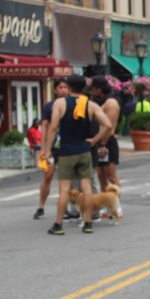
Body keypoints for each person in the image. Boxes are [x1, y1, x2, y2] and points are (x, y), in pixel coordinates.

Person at [44, 74, 112, 235]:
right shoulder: (90, 104)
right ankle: (88, 222)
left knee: (64, 189)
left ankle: (58, 225)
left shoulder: (60, 103)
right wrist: (94, 140)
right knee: (87, 187)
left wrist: (47, 149)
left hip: (66, 151)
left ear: (68, 87)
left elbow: (53, 127)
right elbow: (108, 125)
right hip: (84, 150)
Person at [34, 78, 69, 220]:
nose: (63, 90)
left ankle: (65, 208)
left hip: (67, 144)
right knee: (48, 175)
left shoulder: (71, 104)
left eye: (65, 87)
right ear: (55, 90)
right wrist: (43, 147)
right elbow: (45, 126)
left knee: (65, 178)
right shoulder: (49, 106)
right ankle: (41, 206)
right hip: (52, 145)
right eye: (60, 87)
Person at [89, 75, 122, 200]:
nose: (92, 91)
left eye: (93, 89)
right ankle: (105, 202)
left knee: (111, 175)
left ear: (99, 89)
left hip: (107, 141)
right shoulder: (99, 101)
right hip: (98, 140)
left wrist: (103, 144)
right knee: (101, 175)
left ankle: (116, 203)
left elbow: (109, 126)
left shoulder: (111, 103)